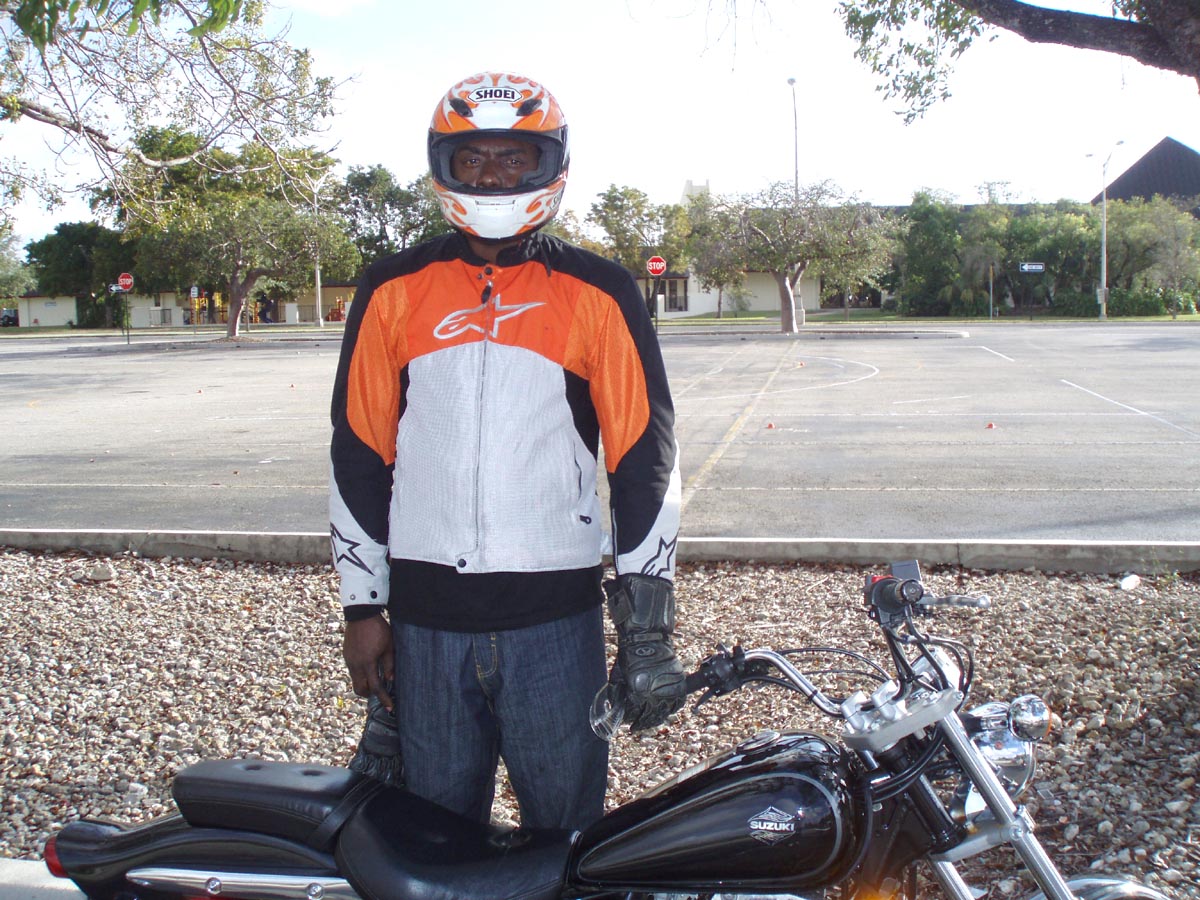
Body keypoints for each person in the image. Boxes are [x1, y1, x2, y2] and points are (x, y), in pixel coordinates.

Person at [329, 72, 685, 831]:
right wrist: (363, 606)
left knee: (565, 838)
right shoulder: (391, 288)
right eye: (473, 158)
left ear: (551, 163)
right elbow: (359, 451)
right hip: (425, 624)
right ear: (443, 165)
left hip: (555, 623)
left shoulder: (599, 289)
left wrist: (648, 626)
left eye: (514, 158)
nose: (492, 177)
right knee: (432, 841)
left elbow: (643, 457)